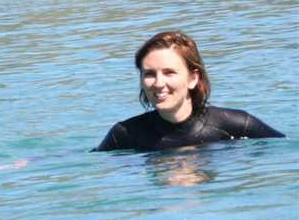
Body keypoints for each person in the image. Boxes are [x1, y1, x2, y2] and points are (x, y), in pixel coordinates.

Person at [95, 31, 285, 152]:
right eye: (150, 74)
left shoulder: (237, 124)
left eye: (169, 72)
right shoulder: (125, 134)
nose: (159, 83)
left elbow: (284, 153)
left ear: (193, 78)